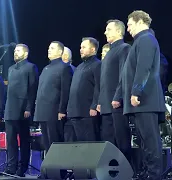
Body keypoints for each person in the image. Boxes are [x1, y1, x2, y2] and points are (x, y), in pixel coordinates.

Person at [115, 10, 166, 179]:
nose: (128, 29)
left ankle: (154, 174)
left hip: (146, 100)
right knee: (144, 141)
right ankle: (147, 171)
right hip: (142, 101)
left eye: (129, 24)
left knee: (150, 140)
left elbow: (144, 68)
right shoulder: (140, 41)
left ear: (139, 22)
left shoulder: (146, 39)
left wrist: (136, 91)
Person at [97, 20, 131, 162]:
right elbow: (104, 81)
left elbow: (124, 74)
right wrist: (99, 102)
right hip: (105, 104)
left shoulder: (124, 48)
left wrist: (118, 97)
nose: (105, 32)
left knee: (121, 139)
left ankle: (127, 170)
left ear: (118, 31)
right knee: (108, 141)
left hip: (117, 103)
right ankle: (112, 171)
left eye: (109, 29)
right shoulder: (109, 52)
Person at [4, 44, 38, 177]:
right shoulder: (11, 68)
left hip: (23, 108)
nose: (15, 53)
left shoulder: (31, 67)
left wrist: (28, 107)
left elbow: (32, 89)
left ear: (25, 54)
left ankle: (22, 167)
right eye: (14, 51)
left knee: (24, 140)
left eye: (18, 51)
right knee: (11, 140)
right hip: (10, 109)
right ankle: (11, 166)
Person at [34, 41, 73, 150]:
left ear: (60, 51)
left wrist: (62, 110)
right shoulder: (46, 68)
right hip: (43, 111)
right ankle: (49, 166)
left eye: (52, 48)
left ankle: (59, 166)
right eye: (49, 48)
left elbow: (65, 91)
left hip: (54, 111)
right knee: (46, 143)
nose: (49, 50)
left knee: (55, 142)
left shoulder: (64, 67)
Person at [67, 37, 101, 141]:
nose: (81, 49)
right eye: (81, 47)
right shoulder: (79, 67)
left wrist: (94, 106)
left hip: (88, 112)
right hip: (75, 112)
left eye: (84, 47)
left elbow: (99, 86)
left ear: (93, 49)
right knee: (80, 143)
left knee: (90, 142)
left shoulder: (98, 64)